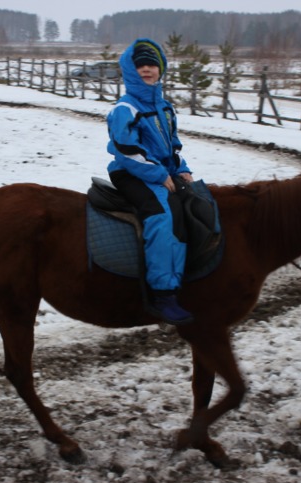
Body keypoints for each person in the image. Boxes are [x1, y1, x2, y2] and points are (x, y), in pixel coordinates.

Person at [106, 38, 195, 326]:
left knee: (197, 204)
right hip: (131, 173)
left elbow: (172, 146)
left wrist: (181, 168)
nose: (147, 69)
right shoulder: (125, 108)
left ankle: (186, 275)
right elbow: (127, 150)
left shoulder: (165, 108)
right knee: (161, 215)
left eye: (152, 64)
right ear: (131, 71)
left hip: (163, 171)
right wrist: (159, 175)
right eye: (140, 65)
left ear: (161, 69)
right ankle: (163, 293)